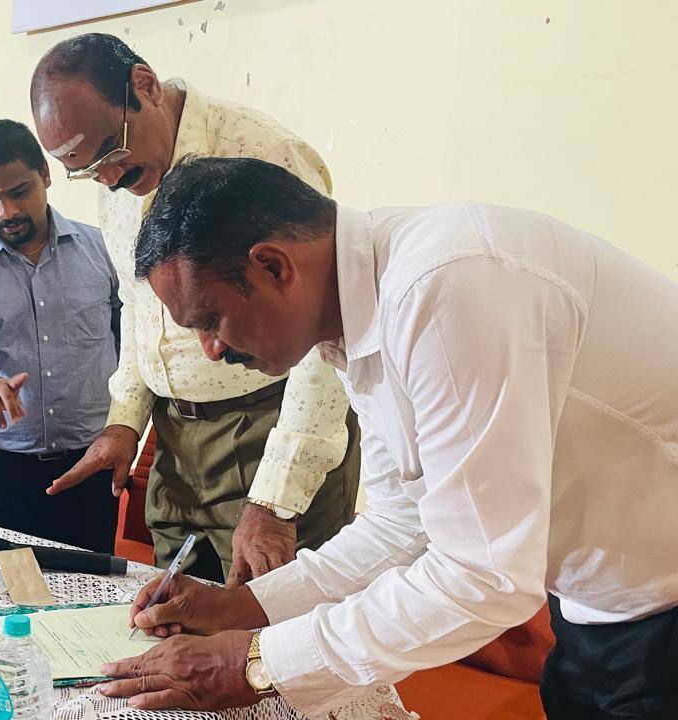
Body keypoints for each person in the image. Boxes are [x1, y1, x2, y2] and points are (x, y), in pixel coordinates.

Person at [98, 156, 678, 719]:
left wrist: (258, 662)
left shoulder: (444, 287)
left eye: (209, 320)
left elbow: (484, 577)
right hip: (599, 602)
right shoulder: (359, 316)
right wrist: (244, 607)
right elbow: (402, 523)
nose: (211, 350)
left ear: (273, 266)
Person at [30, 33, 357, 584]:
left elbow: (325, 331)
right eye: (85, 170)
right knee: (175, 618)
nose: (108, 178)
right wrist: (125, 420)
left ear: (144, 86)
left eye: (110, 151)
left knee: (277, 627)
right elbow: (138, 305)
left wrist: (276, 499)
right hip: (176, 441)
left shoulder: (262, 154)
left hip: (268, 427)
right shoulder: (120, 176)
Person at [0, 119, 122, 552]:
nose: (8, 212)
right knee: (1, 592)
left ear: (45, 176)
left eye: (19, 192)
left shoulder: (104, 250)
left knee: (91, 591)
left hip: (90, 467)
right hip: (1, 475)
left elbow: (130, 343)